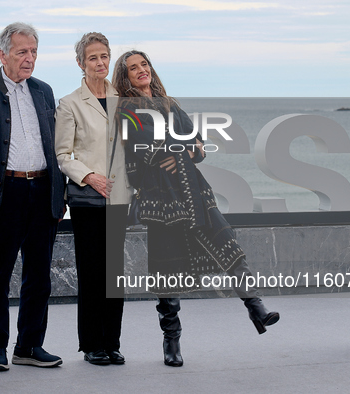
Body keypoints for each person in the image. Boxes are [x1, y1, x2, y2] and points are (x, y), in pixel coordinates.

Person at [111, 50, 280, 367]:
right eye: (133, 68)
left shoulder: (170, 104)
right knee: (166, 270)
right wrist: (181, 145)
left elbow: (199, 146)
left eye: (144, 64)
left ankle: (255, 307)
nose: (141, 70)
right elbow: (142, 142)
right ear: (126, 77)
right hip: (160, 199)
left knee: (227, 245)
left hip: (195, 191)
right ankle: (171, 341)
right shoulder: (127, 109)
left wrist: (184, 148)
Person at [0, 22, 65, 371]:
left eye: (33, 52)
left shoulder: (43, 90)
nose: (29, 59)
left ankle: (29, 345)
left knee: (39, 275)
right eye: (22, 52)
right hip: (6, 193)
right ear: (3, 54)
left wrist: (60, 195)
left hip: (43, 191)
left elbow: (56, 144)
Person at [55, 32, 132, 365]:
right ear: (80, 63)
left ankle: (112, 342)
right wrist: (89, 175)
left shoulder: (125, 98)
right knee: (91, 272)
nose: (100, 63)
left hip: (120, 196)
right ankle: (91, 344)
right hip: (88, 199)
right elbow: (62, 153)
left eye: (104, 57)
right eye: (92, 58)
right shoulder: (70, 103)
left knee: (114, 272)